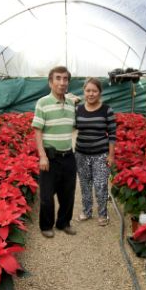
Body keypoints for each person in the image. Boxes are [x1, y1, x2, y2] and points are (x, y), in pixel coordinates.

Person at [32, 66, 78, 238]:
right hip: (50, 158)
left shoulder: (71, 104)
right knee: (46, 195)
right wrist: (42, 156)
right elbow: (37, 131)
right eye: (58, 78)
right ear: (50, 82)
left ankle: (64, 223)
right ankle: (46, 226)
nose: (62, 82)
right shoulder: (43, 103)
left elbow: (74, 126)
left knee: (68, 193)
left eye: (65, 79)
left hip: (68, 156)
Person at [74, 77, 116, 226]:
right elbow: (71, 127)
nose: (91, 94)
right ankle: (86, 211)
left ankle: (103, 214)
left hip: (100, 155)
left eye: (94, 91)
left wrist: (111, 155)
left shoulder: (106, 110)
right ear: (84, 91)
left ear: (100, 93)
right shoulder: (78, 109)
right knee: (85, 185)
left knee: (100, 185)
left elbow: (112, 134)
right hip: (81, 154)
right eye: (88, 90)